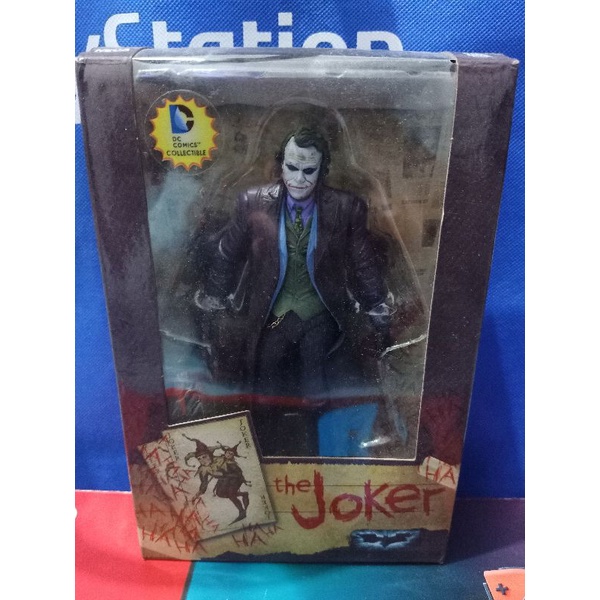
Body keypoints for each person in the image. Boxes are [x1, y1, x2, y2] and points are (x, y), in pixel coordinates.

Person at [203, 127, 396, 455]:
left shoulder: (346, 207)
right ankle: (263, 448)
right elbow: (227, 252)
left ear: (322, 170)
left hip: (319, 313)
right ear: (280, 165)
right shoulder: (253, 202)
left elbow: (362, 261)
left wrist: (377, 305)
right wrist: (214, 297)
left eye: (309, 170)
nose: (299, 178)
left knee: (315, 381)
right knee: (264, 377)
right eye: (292, 167)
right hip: (274, 315)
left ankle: (316, 449)